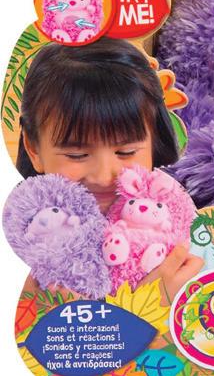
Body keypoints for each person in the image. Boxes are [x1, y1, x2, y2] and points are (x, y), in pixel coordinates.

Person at [17, 38, 203, 304]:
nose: (105, 176)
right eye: (77, 155)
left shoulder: (175, 216)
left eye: (126, 152)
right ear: (33, 148)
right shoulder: (21, 236)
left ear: (153, 141)